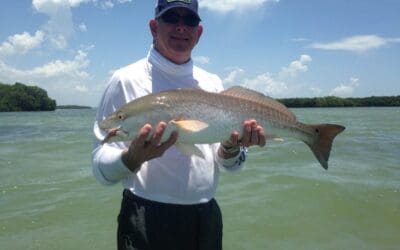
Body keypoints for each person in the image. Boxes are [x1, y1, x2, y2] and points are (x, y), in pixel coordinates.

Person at [92, 0, 266, 249]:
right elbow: (100, 168)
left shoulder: (213, 82)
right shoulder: (125, 80)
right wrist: (131, 158)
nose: (181, 27)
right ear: (154, 27)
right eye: (172, 17)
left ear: (199, 32)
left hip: (206, 216)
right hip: (146, 215)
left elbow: (231, 166)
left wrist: (231, 149)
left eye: (190, 20)